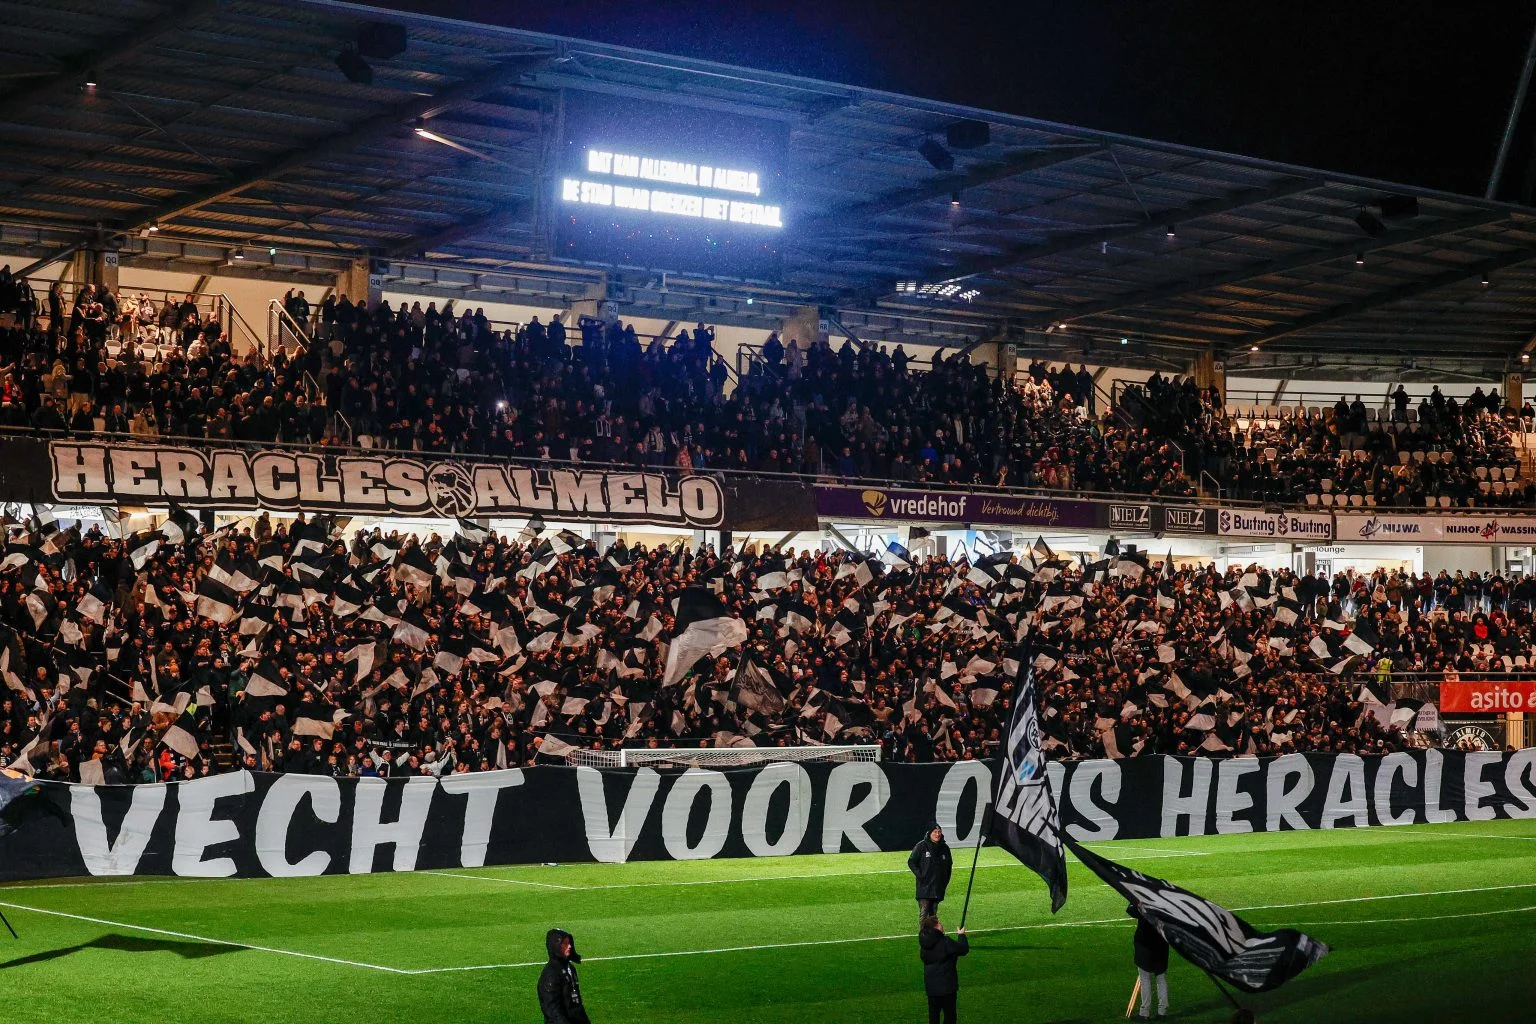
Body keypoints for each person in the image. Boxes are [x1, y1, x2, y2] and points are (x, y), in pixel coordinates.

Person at [918, 914, 968, 1024]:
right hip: (947, 987)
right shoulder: (945, 942)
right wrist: (961, 935)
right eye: (940, 924)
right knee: (950, 1017)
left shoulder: (923, 945)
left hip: (931, 989)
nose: (942, 925)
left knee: (933, 1018)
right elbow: (963, 949)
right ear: (935, 927)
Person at [538, 928, 592, 1024]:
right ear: (556, 946)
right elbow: (553, 1011)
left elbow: (576, 1004)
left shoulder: (570, 968)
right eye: (565, 944)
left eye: (569, 943)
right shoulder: (550, 975)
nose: (570, 946)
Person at [1130, 904, 1170, 1020]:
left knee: (1145, 978)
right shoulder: (1161, 901)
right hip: (1161, 945)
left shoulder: (1144, 902)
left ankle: (1144, 1013)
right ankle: (1163, 1011)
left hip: (1145, 946)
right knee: (1161, 977)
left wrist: (1135, 900)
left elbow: (1131, 910)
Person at [908, 823, 952, 919]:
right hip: (924, 887)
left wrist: (944, 881)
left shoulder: (945, 848)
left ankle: (932, 933)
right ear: (929, 833)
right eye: (935, 832)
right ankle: (923, 933)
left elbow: (949, 866)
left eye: (939, 832)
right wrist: (921, 875)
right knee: (924, 914)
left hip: (937, 886)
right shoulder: (921, 846)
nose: (937, 834)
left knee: (933, 915)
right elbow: (911, 862)